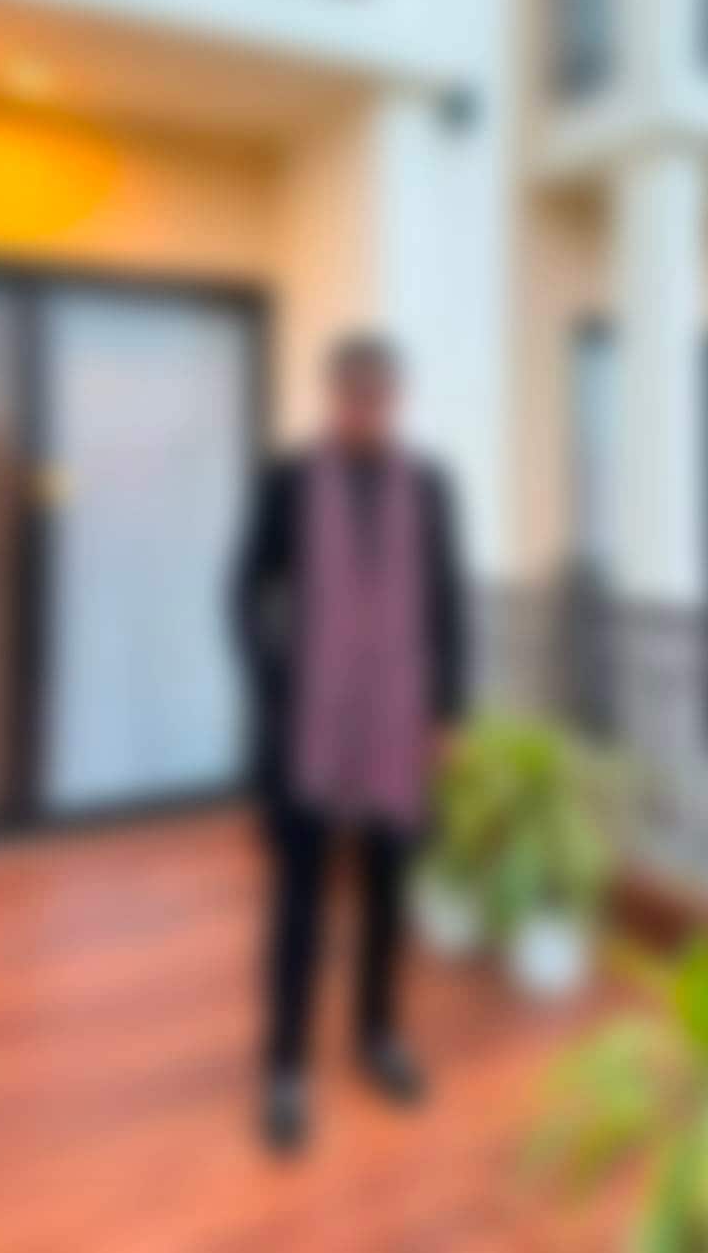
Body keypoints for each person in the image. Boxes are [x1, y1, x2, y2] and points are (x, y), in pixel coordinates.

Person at [233, 333, 467, 1151]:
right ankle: (284, 1068)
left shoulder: (429, 486)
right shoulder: (289, 481)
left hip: (397, 726)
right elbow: (244, 590)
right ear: (330, 396)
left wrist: (447, 713)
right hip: (309, 728)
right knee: (297, 902)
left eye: (377, 395)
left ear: (395, 400)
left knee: (386, 894)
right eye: (350, 394)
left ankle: (378, 1035)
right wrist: (275, 688)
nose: (363, 409)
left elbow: (446, 601)